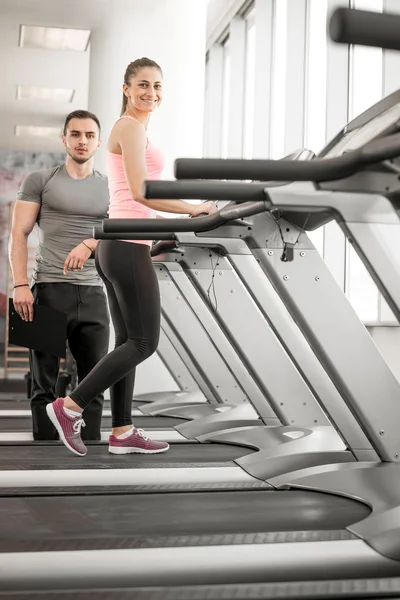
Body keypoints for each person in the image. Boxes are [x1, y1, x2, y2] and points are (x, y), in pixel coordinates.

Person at [45, 57, 217, 457]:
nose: (151, 93)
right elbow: (141, 192)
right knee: (144, 342)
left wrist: (162, 233)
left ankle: (122, 431)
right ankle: (69, 407)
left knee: (126, 341)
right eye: (142, 85)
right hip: (124, 246)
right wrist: (193, 210)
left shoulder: (134, 130)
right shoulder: (129, 126)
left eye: (157, 86)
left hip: (122, 243)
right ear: (126, 89)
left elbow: (130, 197)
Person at [9, 110, 110, 441]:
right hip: (49, 290)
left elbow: (125, 229)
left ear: (98, 140)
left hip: (94, 292)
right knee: (44, 383)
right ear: (64, 139)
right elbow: (19, 234)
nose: (83, 141)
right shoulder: (40, 180)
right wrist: (21, 284)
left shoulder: (109, 188)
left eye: (89, 135)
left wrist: (90, 242)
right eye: (76, 134)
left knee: (94, 381)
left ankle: (90, 451)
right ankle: (45, 456)